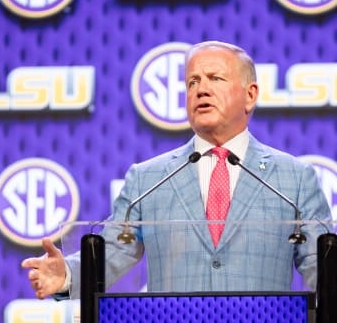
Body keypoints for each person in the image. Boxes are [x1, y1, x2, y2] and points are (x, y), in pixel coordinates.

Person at [21, 40, 331, 299]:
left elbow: (323, 265)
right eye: (192, 82)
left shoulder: (295, 179)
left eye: (215, 79)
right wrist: (69, 274)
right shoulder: (148, 178)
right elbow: (115, 250)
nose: (201, 89)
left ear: (250, 95)